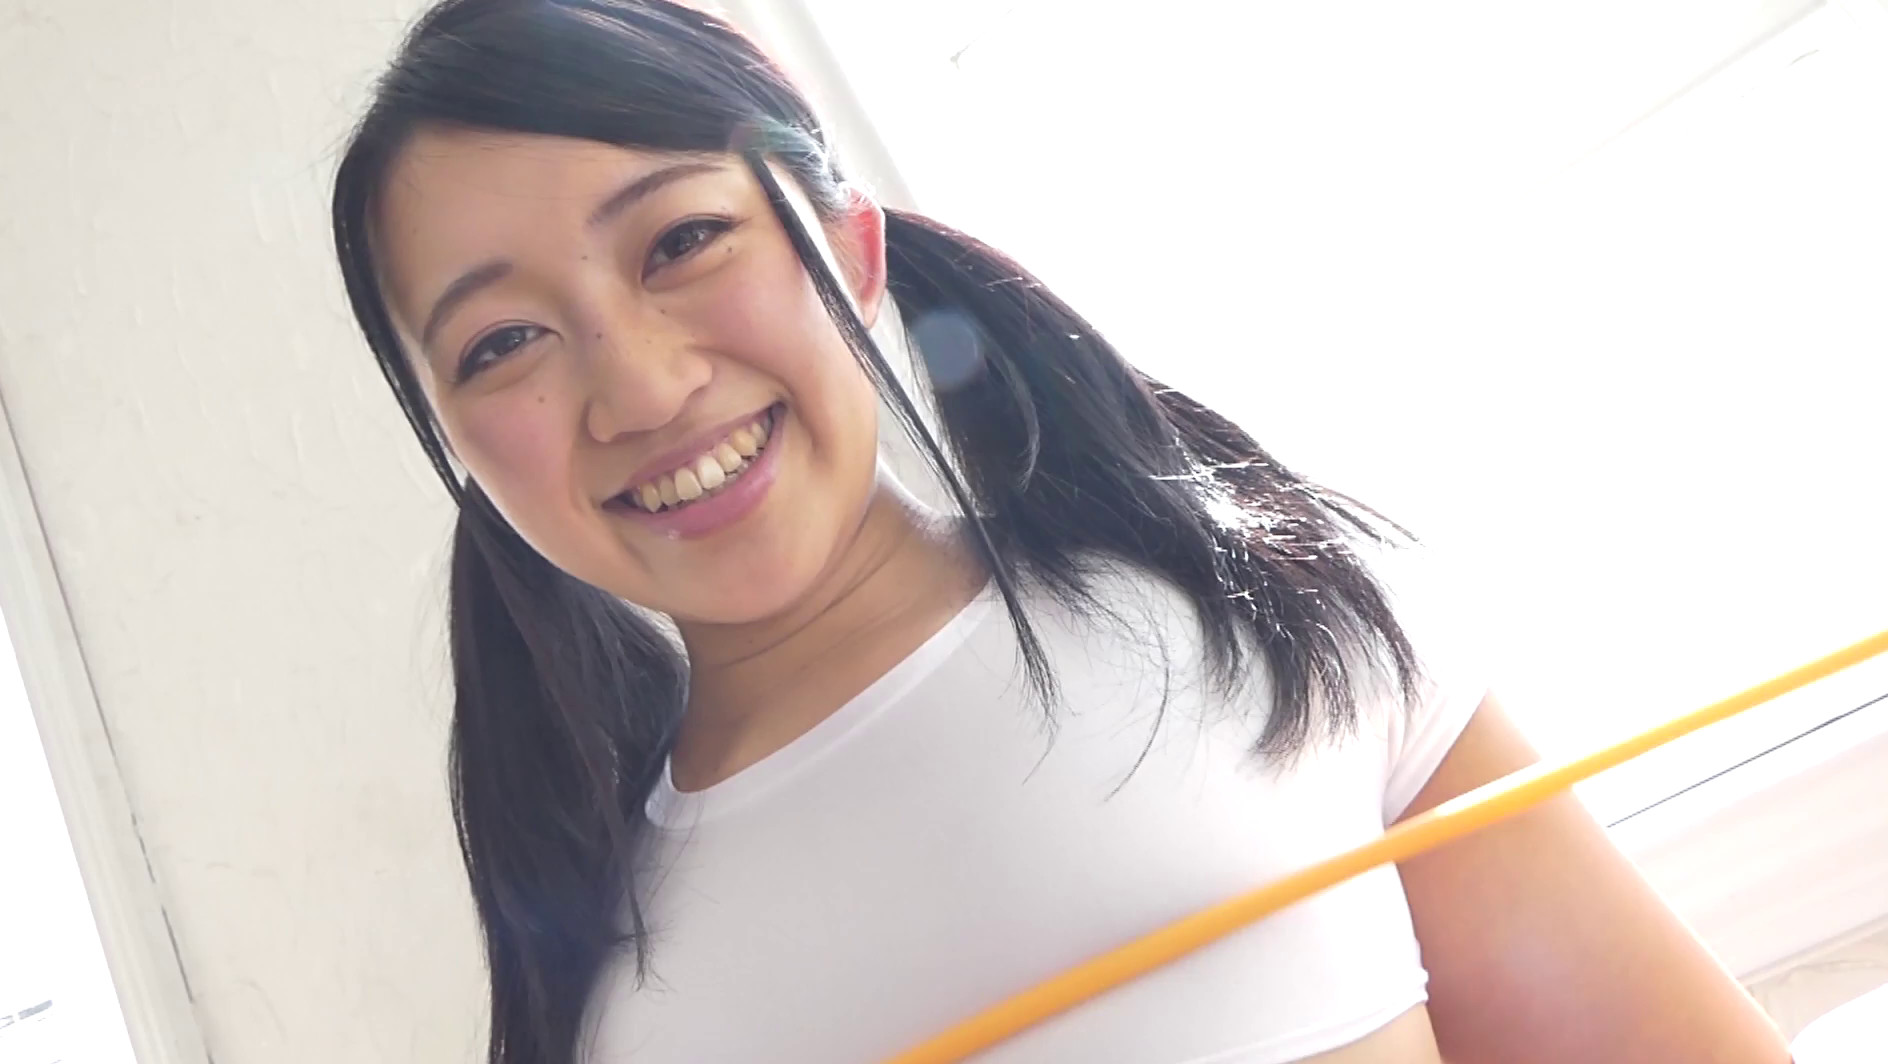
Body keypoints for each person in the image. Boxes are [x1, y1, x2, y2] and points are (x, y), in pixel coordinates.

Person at [330, 2, 1793, 1062]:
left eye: (683, 241)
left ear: (848, 240)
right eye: (503, 343)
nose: (641, 389)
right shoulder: (600, 984)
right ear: (458, 450)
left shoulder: (1258, 612)